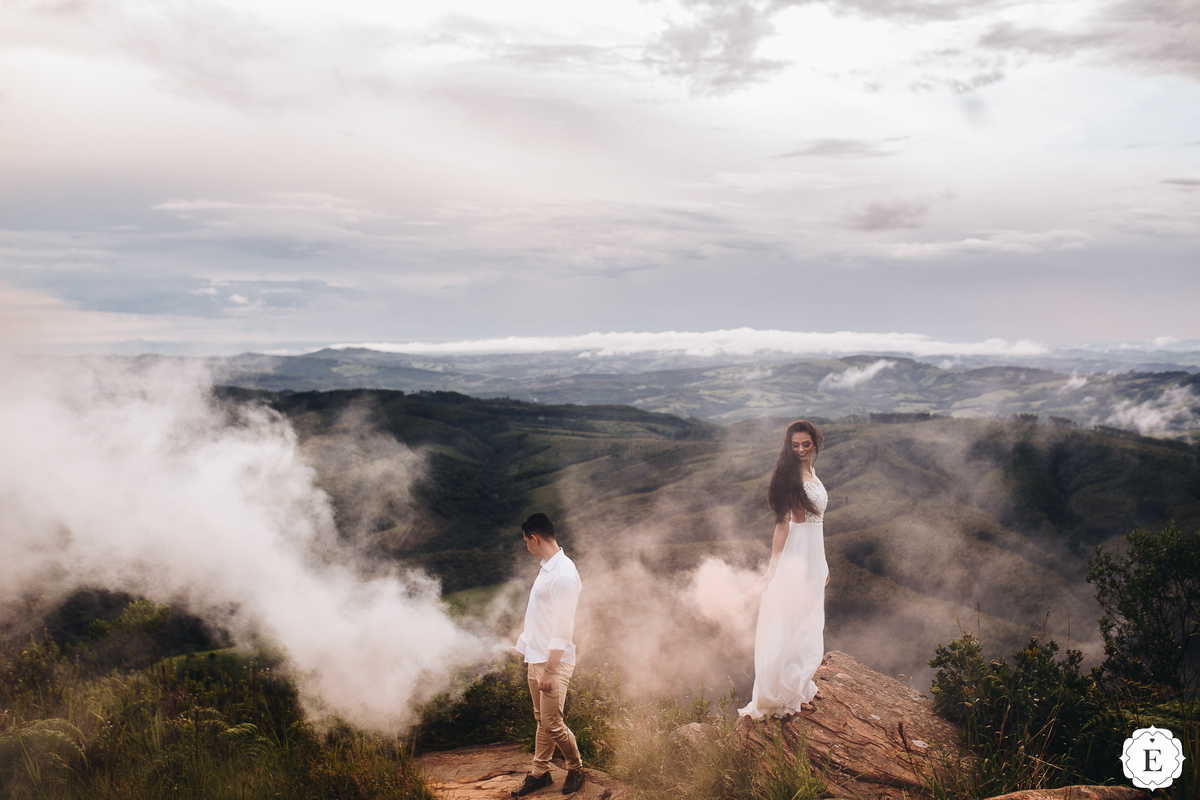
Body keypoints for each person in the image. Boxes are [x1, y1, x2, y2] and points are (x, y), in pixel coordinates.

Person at [739, 419, 829, 719]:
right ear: (788, 447)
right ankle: (787, 694)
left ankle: (801, 685)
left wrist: (823, 562)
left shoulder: (812, 472)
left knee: (809, 618)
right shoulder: (789, 477)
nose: (801, 449)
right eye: (795, 445)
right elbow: (782, 524)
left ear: (815, 443)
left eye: (806, 444)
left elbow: (818, 525)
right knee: (795, 620)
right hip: (798, 552)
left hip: (814, 552)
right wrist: (774, 567)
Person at [512, 512, 586, 797]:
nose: (526, 547)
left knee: (553, 724)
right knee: (542, 720)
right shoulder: (548, 568)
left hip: (553, 662)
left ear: (535, 538)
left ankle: (576, 768)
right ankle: (539, 772)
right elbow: (540, 616)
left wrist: (550, 670)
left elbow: (562, 629)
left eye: (525, 542)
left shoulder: (563, 575)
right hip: (537, 658)